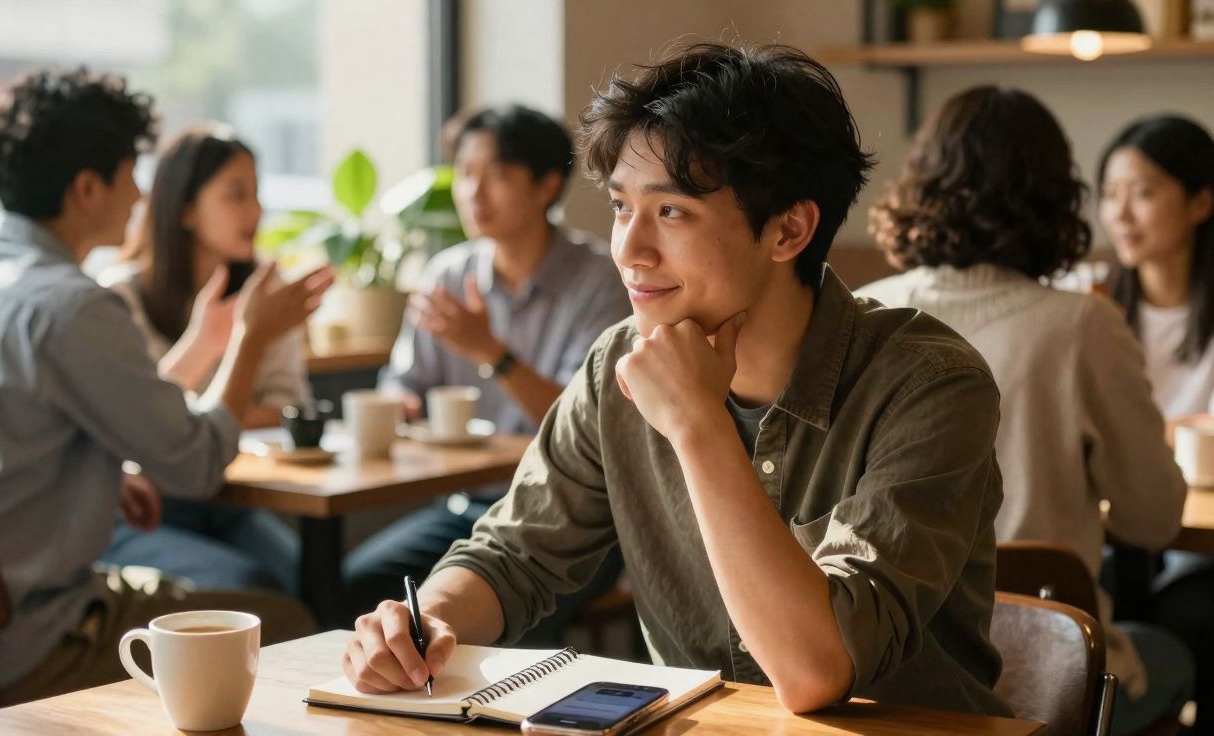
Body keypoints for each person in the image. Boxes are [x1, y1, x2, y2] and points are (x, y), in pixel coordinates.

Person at [341, 42, 1013, 716]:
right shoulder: (616, 363)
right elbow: (515, 555)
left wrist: (697, 423)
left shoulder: (929, 384)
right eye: (620, 207)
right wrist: (423, 623)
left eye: (671, 212)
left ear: (788, 230)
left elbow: (816, 670)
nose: (629, 251)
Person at [0, 68, 332, 708]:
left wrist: (96, 472)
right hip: (36, 645)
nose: (139, 195)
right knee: (294, 628)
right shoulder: (74, 307)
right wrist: (249, 335)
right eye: (131, 173)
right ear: (86, 188)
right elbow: (198, 463)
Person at [858, 87, 1192, 735]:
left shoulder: (863, 311)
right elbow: (1152, 518)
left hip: (881, 668)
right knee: (1172, 655)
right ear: (1054, 198)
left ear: (921, 185)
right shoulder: (1082, 325)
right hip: (1042, 664)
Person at [340, 104, 631, 638]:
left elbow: (584, 423)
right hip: (464, 506)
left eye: (496, 175)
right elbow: (402, 385)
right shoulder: (447, 275)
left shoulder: (598, 280)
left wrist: (491, 352)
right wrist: (402, 406)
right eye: (465, 174)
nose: (473, 193)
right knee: (357, 585)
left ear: (546, 185)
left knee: (515, 621)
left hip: (567, 519)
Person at [96, 125, 306, 594]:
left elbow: (288, 406)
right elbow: (136, 424)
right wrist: (213, 360)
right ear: (185, 209)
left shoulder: (264, 294)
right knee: (253, 587)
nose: (255, 211)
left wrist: (192, 425)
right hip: (142, 510)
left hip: (228, 502)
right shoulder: (115, 300)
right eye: (236, 195)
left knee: (308, 580)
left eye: (257, 194)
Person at [1099, 114, 1214, 734]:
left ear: (1200, 202)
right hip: (1123, 527)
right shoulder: (1089, 306)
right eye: (1110, 194)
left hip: (1194, 542)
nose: (1120, 214)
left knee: (1196, 608)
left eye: (1142, 193)